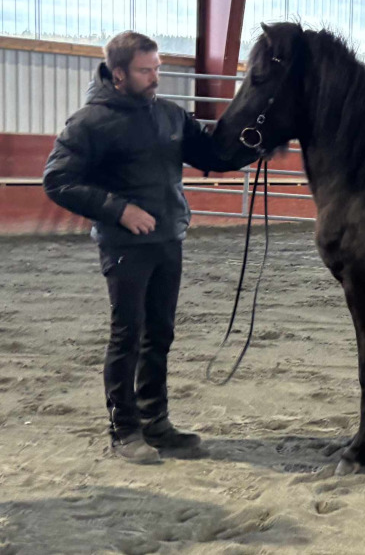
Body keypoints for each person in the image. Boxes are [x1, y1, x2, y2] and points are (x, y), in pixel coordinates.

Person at [43, 32, 256, 464]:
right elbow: (58, 180)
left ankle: (155, 421)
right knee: (129, 336)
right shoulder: (89, 123)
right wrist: (118, 210)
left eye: (157, 67)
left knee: (160, 334)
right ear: (118, 73)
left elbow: (213, 154)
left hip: (168, 239)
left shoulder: (171, 116)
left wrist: (255, 145)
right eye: (146, 70)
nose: (155, 76)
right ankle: (124, 431)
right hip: (125, 246)